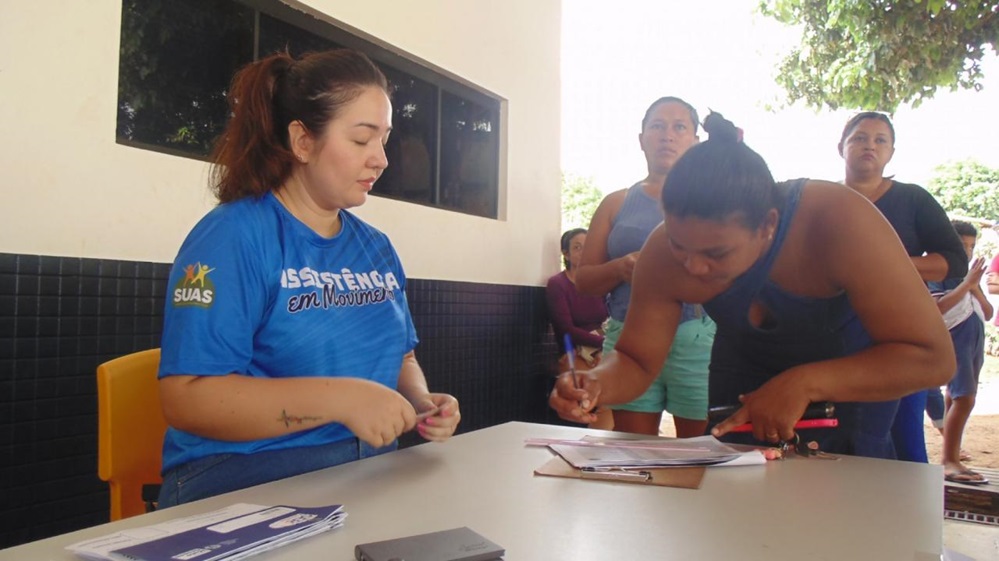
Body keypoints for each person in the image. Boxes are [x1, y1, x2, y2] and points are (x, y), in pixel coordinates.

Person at [156, 49, 461, 508]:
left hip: (366, 470)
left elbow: (402, 354)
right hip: (244, 475)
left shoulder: (375, 248)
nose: (381, 160)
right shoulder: (233, 237)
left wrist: (420, 400)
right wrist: (339, 400)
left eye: (384, 140)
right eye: (362, 140)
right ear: (302, 141)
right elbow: (187, 399)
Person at [550, 114, 955, 458]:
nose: (692, 265)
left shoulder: (840, 221)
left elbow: (932, 358)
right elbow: (637, 360)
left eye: (717, 253)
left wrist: (804, 383)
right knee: (735, 512)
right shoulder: (662, 252)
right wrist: (597, 382)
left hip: (854, 381)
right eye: (679, 245)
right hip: (741, 380)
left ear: (768, 226)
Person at [574, 97, 716, 437]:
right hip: (626, 339)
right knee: (633, 452)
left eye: (679, 126)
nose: (667, 135)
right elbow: (584, 280)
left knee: (704, 455)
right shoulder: (616, 203)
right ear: (641, 139)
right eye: (657, 126)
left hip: (697, 341)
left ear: (695, 141)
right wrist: (620, 268)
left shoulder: (716, 203)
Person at [838, 111, 968, 462]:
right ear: (841, 147)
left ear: (891, 152)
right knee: (843, 440)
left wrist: (894, 266)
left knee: (905, 441)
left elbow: (954, 260)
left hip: (899, 337)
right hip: (832, 338)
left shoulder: (913, 200)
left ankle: (906, 516)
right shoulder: (823, 200)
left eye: (881, 140)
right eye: (860, 138)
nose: (870, 145)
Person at [929, 221, 993, 484]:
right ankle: (949, 461)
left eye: (971, 246)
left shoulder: (968, 277)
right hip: (955, 337)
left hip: (973, 337)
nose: (967, 252)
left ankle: (952, 456)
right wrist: (966, 284)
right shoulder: (938, 272)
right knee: (964, 398)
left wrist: (974, 286)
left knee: (956, 397)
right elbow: (938, 308)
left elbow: (988, 313)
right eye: (962, 245)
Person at [546, 228, 611, 428]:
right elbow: (565, 329)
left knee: (615, 390)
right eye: (577, 247)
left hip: (602, 347)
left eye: (587, 247)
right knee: (599, 394)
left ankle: (611, 445)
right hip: (573, 351)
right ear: (566, 253)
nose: (583, 252)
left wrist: (606, 350)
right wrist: (603, 344)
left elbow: (610, 320)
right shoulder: (558, 284)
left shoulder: (599, 283)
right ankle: (597, 447)